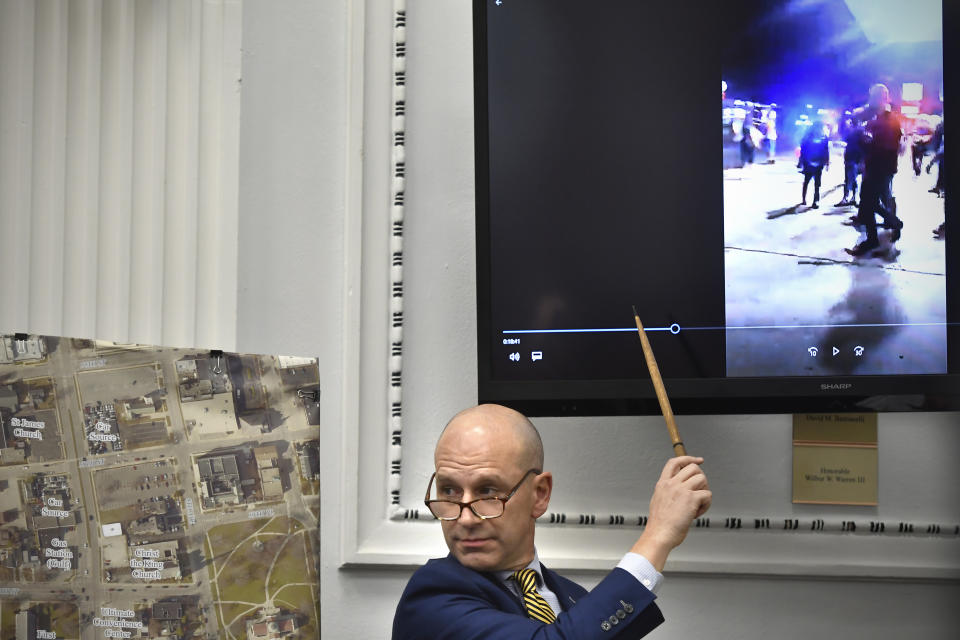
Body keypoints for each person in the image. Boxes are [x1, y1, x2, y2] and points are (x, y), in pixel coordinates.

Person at [393, 404, 711, 639]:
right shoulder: (432, 596)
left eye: (487, 491)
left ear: (540, 495)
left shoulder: (572, 598)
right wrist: (659, 533)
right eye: (449, 491)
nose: (464, 517)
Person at [846, 84, 904, 257]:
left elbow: (886, 147)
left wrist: (862, 139)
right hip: (874, 167)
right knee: (868, 204)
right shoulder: (877, 120)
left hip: (881, 168)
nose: (871, 100)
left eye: (874, 96)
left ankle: (883, 231)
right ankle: (885, 229)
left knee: (868, 204)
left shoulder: (889, 121)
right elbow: (869, 141)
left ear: (882, 99)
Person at [798, 122, 830, 208]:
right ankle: (803, 199)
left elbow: (826, 151)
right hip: (808, 163)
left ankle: (815, 201)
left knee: (817, 183)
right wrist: (801, 162)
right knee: (806, 181)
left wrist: (827, 162)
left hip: (819, 163)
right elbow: (803, 150)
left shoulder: (824, 138)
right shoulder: (808, 138)